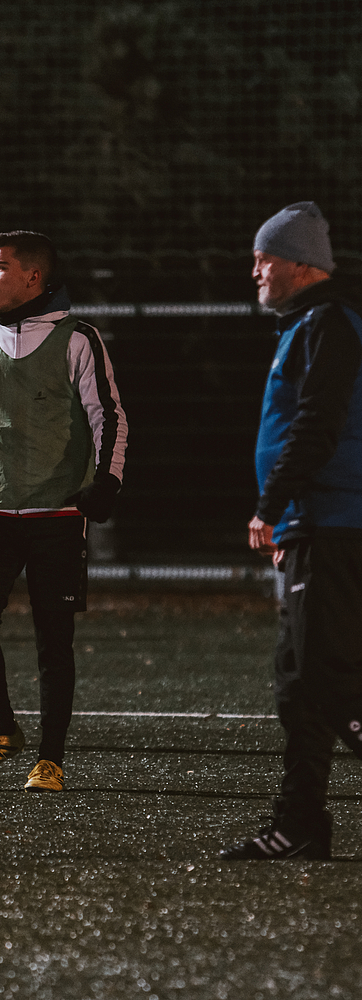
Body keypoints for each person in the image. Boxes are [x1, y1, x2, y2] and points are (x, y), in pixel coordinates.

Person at [0, 231, 128, 791]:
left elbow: (108, 414)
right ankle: (1, 729)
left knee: (52, 640)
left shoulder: (78, 337)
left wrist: (107, 482)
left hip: (56, 512)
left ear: (34, 276)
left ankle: (51, 758)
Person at [221, 201, 362, 860]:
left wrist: (271, 504)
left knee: (325, 681)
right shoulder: (309, 324)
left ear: (301, 265)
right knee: (297, 683)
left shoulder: (328, 324)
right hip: (317, 523)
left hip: (332, 524)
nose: (255, 271)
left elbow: (317, 423)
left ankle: (299, 819)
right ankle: (300, 823)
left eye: (265, 259)